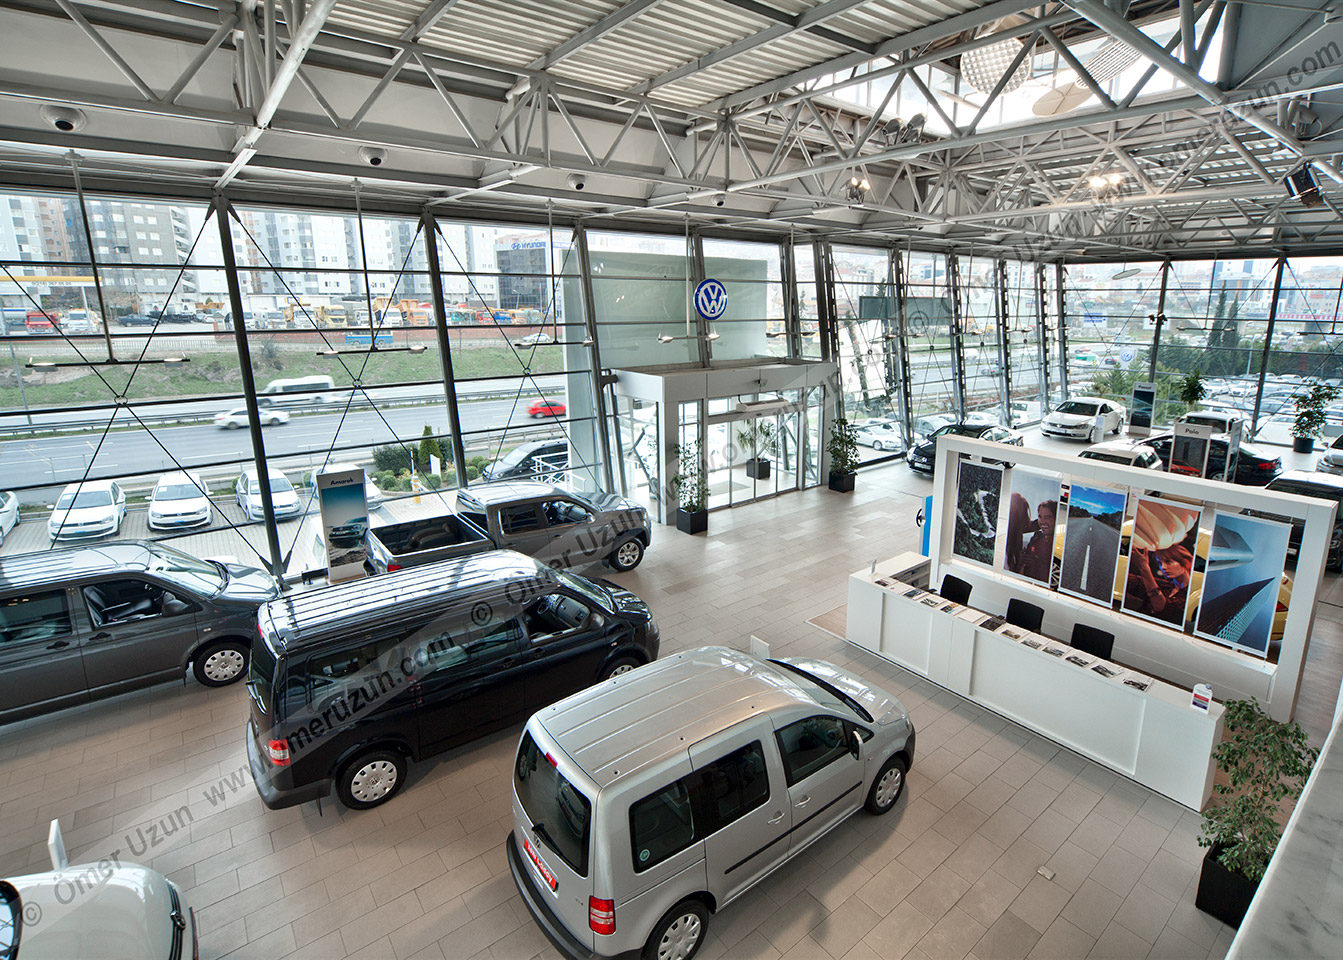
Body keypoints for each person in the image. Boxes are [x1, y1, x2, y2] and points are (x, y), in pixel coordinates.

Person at [1127, 542, 1193, 622]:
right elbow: (1134, 582)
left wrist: (1144, 568)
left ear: (1186, 562)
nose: (1163, 567)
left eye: (1168, 562)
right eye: (1159, 563)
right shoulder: (1165, 585)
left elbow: (1161, 607)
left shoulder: (1192, 595)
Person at [1017, 499, 1057, 583]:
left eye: (1047, 517)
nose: (1042, 521)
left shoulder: (1058, 544)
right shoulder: (1036, 538)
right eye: (1040, 517)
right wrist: (1020, 561)